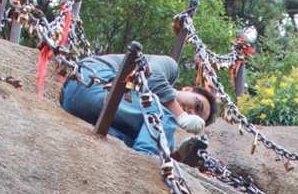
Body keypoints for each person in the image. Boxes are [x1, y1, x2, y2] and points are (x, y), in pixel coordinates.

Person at [59, 50, 215, 156]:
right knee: (163, 118)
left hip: (74, 105)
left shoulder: (140, 111)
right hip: (92, 79)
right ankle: (144, 162)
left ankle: (162, 155)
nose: (191, 112)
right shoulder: (170, 67)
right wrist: (180, 115)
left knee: (149, 137)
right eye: (197, 106)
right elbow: (153, 77)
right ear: (188, 89)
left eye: (196, 117)